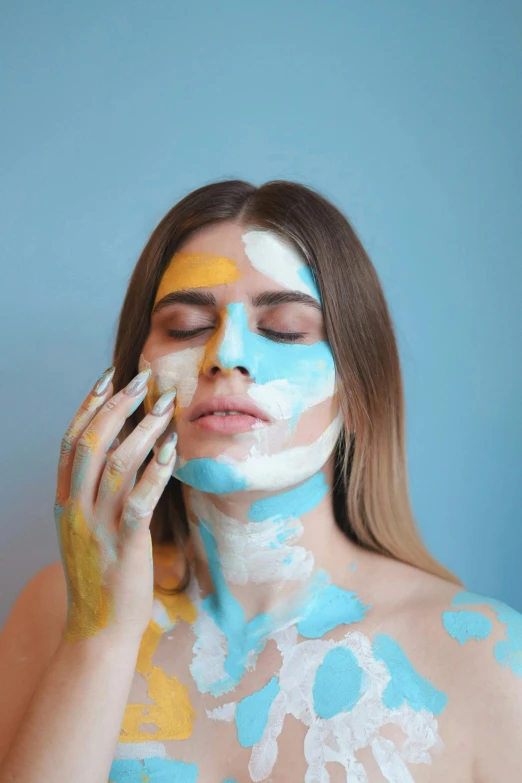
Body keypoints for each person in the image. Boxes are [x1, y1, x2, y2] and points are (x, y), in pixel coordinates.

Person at [0, 179, 520, 783]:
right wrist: (100, 640)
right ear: (133, 378)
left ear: (359, 386)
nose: (226, 354)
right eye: (189, 326)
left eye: (285, 330)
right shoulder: (58, 612)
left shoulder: (486, 658)